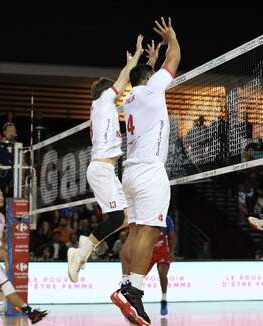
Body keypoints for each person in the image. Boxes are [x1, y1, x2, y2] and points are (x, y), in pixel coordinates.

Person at [111, 17, 180, 326]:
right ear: (150, 77)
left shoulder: (131, 99)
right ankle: (135, 293)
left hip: (131, 172)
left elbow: (146, 76)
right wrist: (171, 37)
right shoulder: (153, 89)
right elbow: (175, 57)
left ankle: (126, 285)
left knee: (136, 232)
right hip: (150, 171)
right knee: (149, 233)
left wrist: (148, 63)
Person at [67, 34, 144, 283]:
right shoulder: (102, 100)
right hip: (100, 168)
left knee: (126, 218)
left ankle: (90, 246)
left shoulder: (103, 107)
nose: (117, 92)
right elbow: (122, 81)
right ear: (104, 92)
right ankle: (81, 250)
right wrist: (134, 60)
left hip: (105, 169)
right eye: (113, 90)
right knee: (116, 218)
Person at [0, 188, 47, 325]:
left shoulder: (1, 217)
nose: (1, 198)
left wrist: (4, 256)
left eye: (2, 196)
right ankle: (30, 312)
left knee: (1, 294)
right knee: (7, 287)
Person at [145, 215, 177, 316]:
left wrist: (171, 252)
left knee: (162, 273)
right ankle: (133, 303)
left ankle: (164, 300)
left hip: (163, 251)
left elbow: (173, 236)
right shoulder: (147, 216)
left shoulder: (167, 218)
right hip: (149, 251)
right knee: (139, 277)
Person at [0, 122, 17, 195]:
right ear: (4, 132)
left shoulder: (18, 145)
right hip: (1, 175)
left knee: (13, 198)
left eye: (13, 131)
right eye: (9, 131)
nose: (12, 133)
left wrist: (22, 178)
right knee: (0, 197)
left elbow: (22, 161)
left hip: (14, 175)